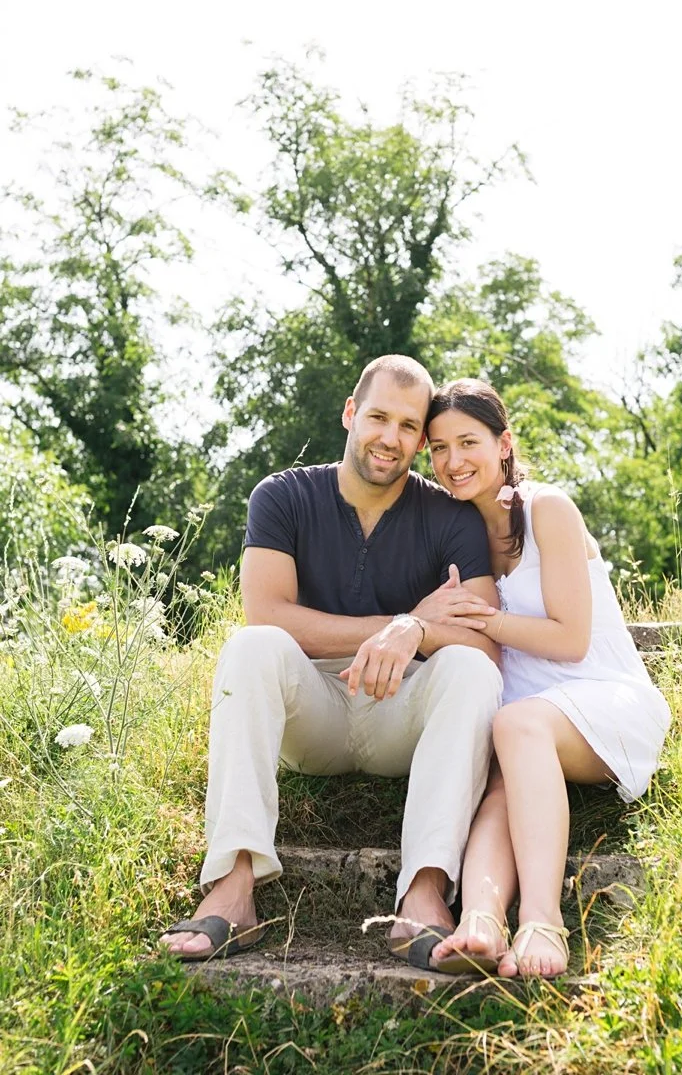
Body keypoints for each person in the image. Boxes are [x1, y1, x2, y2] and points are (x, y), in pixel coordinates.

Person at [160, 355, 503, 965]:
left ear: (421, 438)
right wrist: (400, 625)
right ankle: (234, 888)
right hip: (309, 709)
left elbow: (482, 640)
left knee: (471, 670)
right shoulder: (283, 496)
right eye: (377, 417)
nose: (389, 439)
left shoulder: (452, 518)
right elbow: (268, 613)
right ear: (350, 413)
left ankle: (424, 892)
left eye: (407, 426)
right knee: (250, 646)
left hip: (403, 712)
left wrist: (414, 630)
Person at [422, 379, 672, 979]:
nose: (452, 461)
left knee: (518, 723)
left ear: (503, 442)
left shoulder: (548, 509)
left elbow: (570, 638)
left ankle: (543, 918)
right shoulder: (452, 532)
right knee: (502, 779)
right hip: (528, 721)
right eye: (436, 448)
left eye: (467, 442)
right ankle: (480, 918)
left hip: (602, 697)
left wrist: (487, 619)